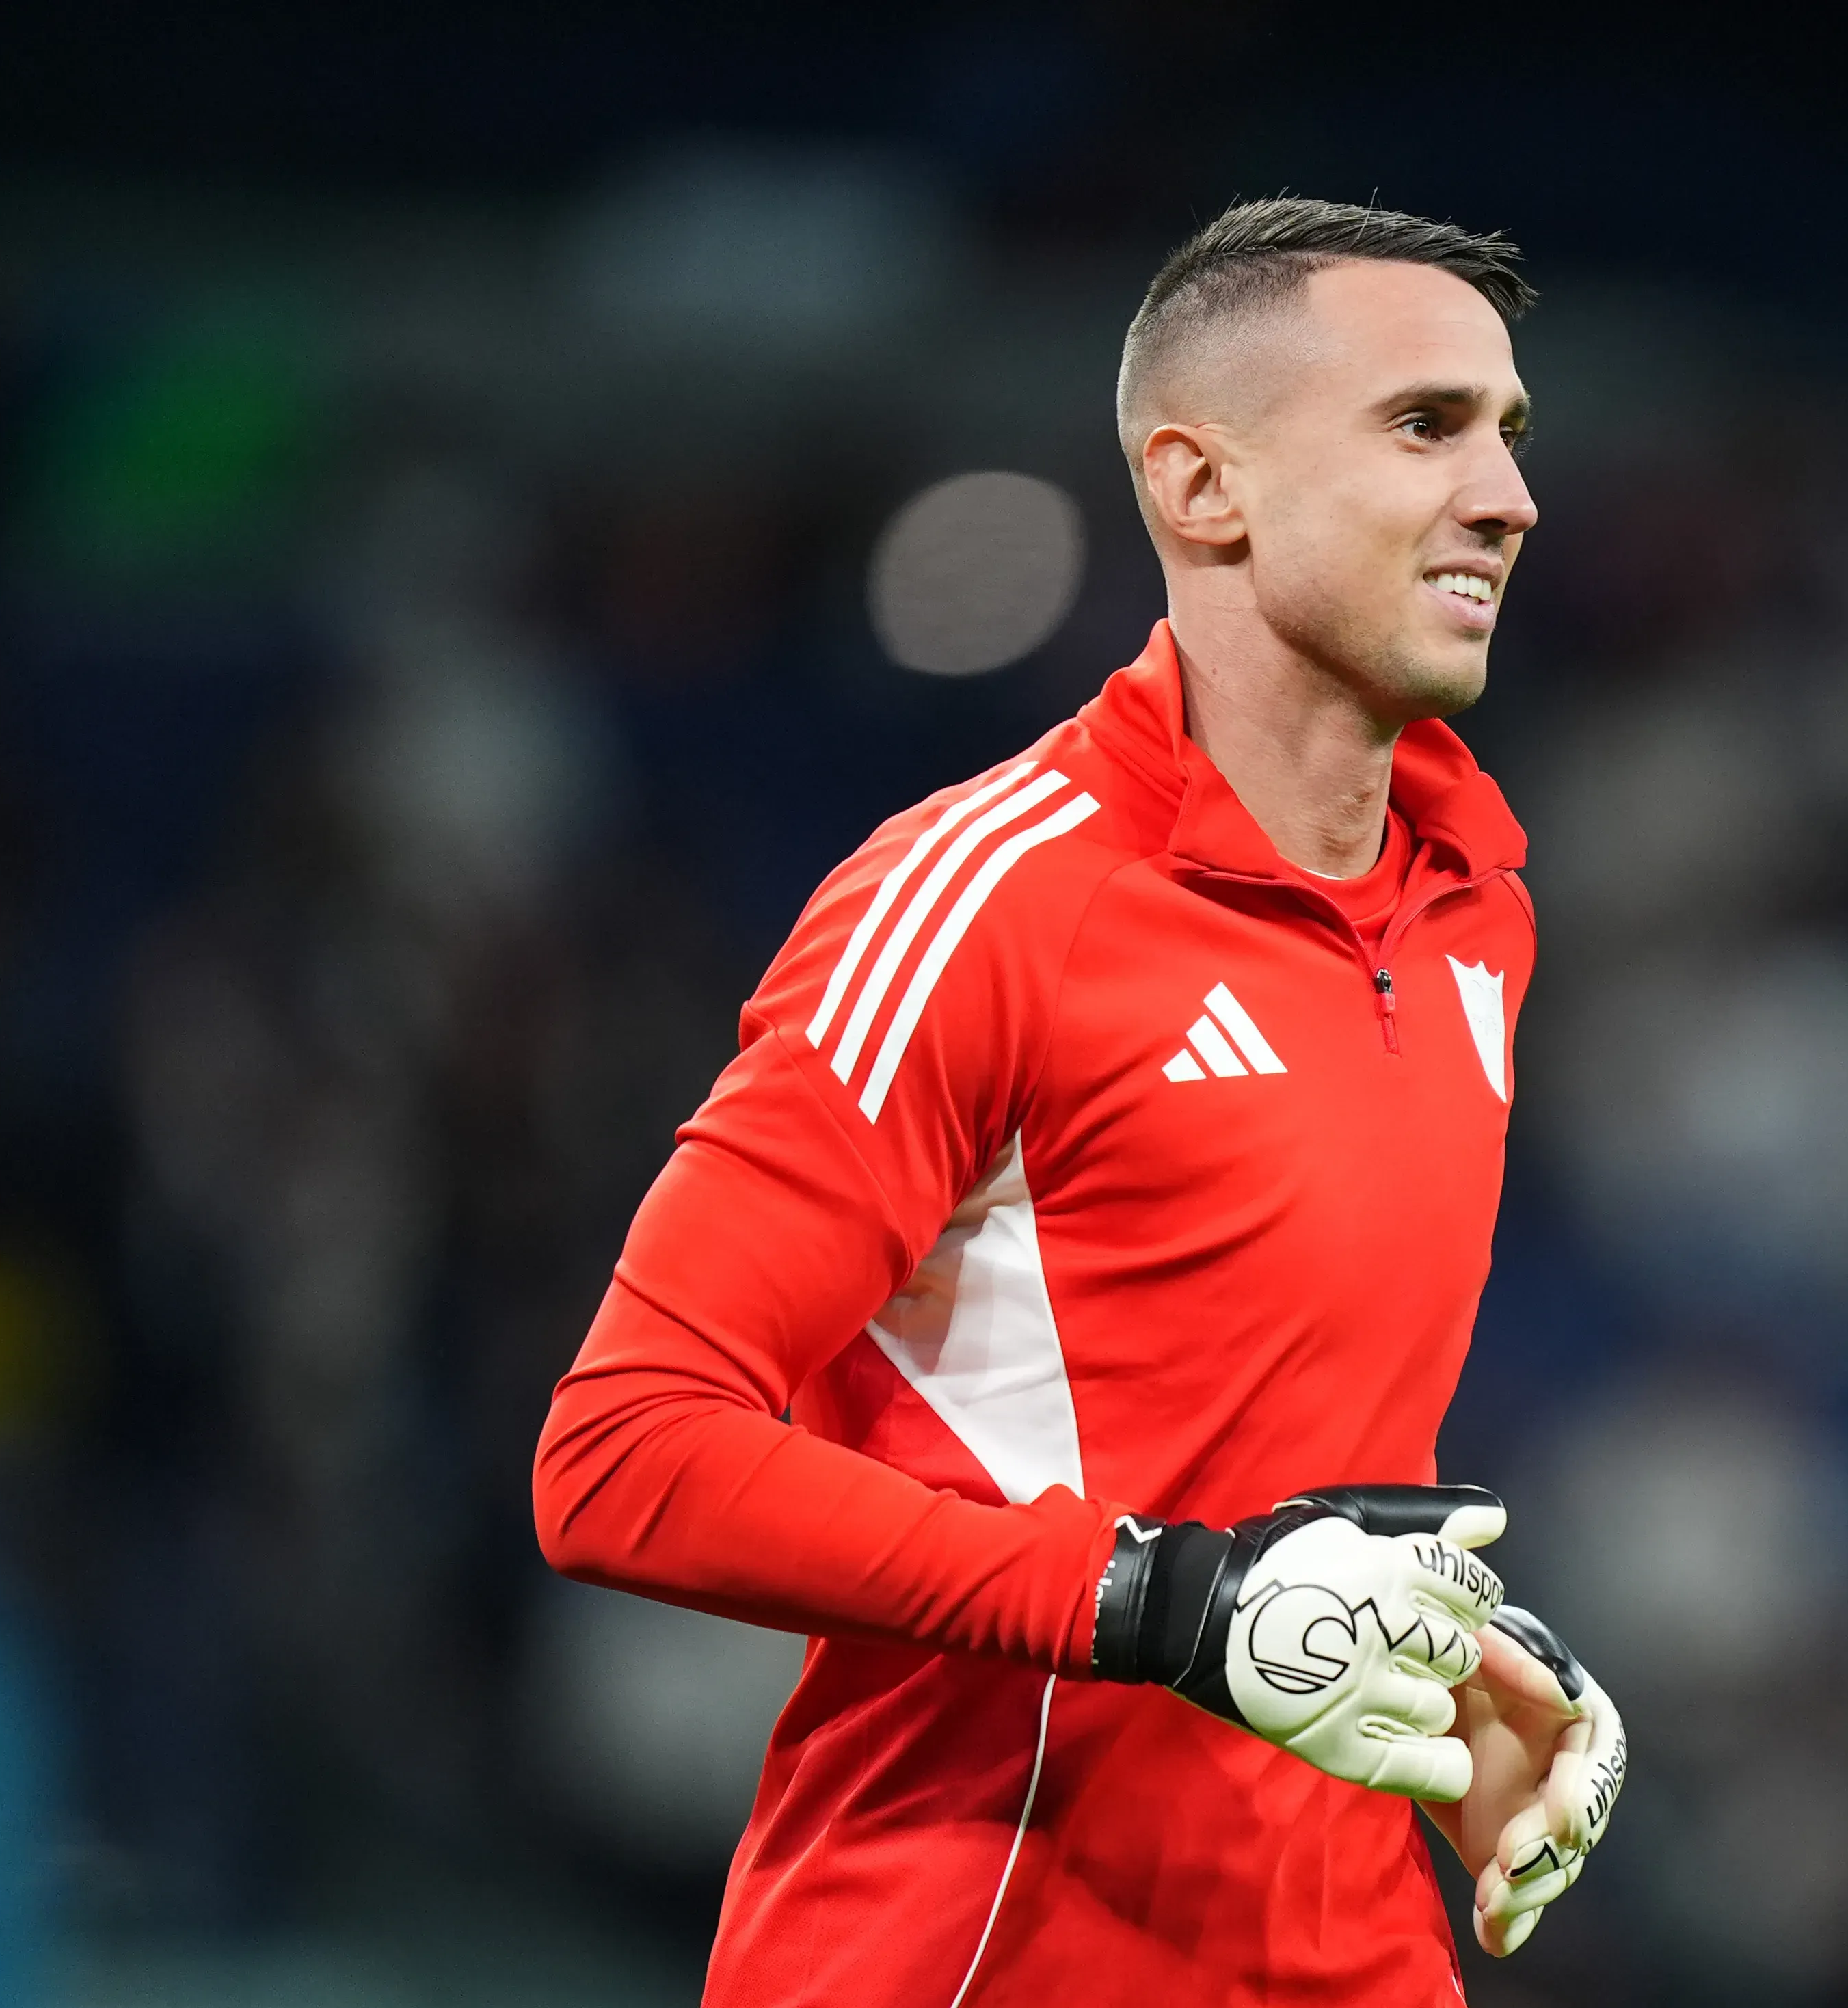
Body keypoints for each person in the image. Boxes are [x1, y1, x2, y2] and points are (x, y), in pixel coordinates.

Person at [533, 197, 1625, 2007]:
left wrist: (1449, 1662)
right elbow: (621, 1459)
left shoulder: (1475, 905)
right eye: (1424, 427)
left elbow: (1250, 1467)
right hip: (972, 1949)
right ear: (1203, 491)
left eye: (1509, 435)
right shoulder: (980, 901)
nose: (1507, 498)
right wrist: (1159, 1606)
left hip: (1344, 1954)